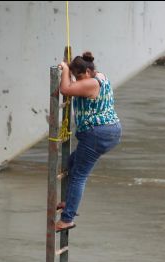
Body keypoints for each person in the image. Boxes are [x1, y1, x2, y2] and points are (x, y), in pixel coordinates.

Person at [56, 52, 122, 232]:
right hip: (109, 130)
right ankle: (70, 202)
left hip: (97, 133)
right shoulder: (100, 76)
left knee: (79, 175)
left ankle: (67, 218)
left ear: (87, 72)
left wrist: (66, 70)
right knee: (71, 164)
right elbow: (73, 87)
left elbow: (65, 90)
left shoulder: (91, 84)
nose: (76, 80)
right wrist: (71, 72)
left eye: (78, 76)